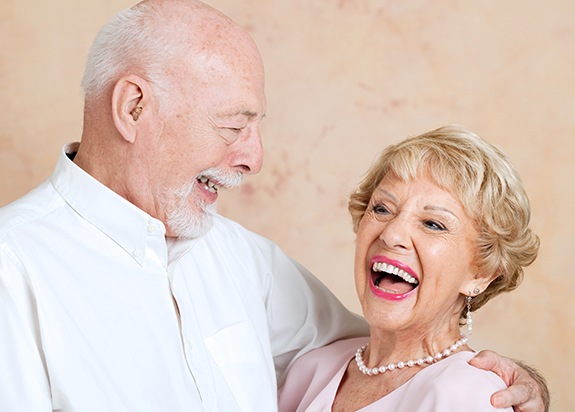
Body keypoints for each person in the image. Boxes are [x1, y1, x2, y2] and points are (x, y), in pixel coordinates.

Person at [0, 1, 547, 411]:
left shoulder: (243, 259)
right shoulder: (14, 266)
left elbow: (393, 349)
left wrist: (506, 383)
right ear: (133, 107)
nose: (253, 159)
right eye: (233, 126)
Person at [278, 126, 548, 411]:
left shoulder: (471, 395)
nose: (391, 234)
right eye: (382, 209)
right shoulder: (311, 370)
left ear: (480, 273)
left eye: (433, 224)